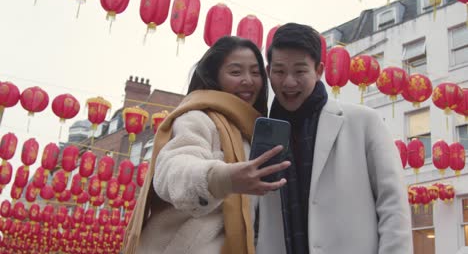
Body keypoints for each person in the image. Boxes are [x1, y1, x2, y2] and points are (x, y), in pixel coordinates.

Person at [123, 36, 290, 254]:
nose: (248, 80)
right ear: (214, 76)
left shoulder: (250, 133)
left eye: (255, 72)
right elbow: (172, 169)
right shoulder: (198, 117)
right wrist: (222, 178)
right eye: (236, 72)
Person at [256, 23, 413, 254]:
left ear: (319, 71)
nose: (289, 82)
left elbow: (393, 205)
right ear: (269, 72)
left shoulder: (363, 121)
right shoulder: (264, 133)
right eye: (279, 71)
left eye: (300, 71)